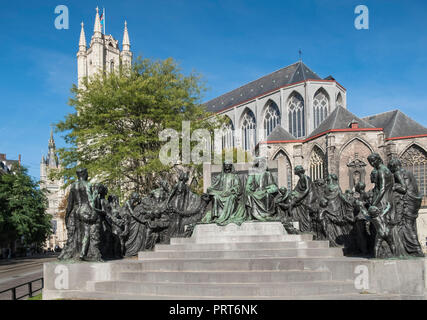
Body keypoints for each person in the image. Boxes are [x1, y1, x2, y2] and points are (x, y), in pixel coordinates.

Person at [388, 158, 424, 257]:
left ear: (392, 166)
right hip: (414, 201)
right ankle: (415, 249)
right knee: (411, 225)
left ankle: (415, 249)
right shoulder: (408, 172)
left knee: (407, 226)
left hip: (407, 201)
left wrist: (394, 186)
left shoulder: (397, 173)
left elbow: (403, 189)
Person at [201, 161, 246, 225]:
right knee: (215, 197)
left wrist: (230, 191)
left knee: (231, 198)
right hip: (221, 194)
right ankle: (215, 217)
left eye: (228, 165)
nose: (227, 166)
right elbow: (215, 186)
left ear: (231, 166)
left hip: (231, 194)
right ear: (224, 166)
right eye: (225, 165)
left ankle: (227, 215)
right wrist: (209, 189)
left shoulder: (235, 176)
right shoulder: (220, 176)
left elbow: (238, 187)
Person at [245, 157, 279, 221]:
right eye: (259, 163)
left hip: (265, 192)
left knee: (267, 196)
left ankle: (267, 214)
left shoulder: (267, 174)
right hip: (256, 192)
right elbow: (248, 184)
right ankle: (251, 215)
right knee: (249, 195)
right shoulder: (253, 174)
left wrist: (268, 190)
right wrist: (248, 189)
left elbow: (274, 186)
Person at [289, 165, 316, 232]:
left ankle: (308, 228)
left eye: (295, 170)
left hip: (309, 195)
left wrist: (300, 197)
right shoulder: (300, 179)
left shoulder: (305, 178)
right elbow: (295, 189)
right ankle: (302, 227)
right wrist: (291, 194)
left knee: (306, 209)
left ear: (298, 171)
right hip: (303, 195)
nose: (294, 171)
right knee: (296, 207)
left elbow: (307, 189)